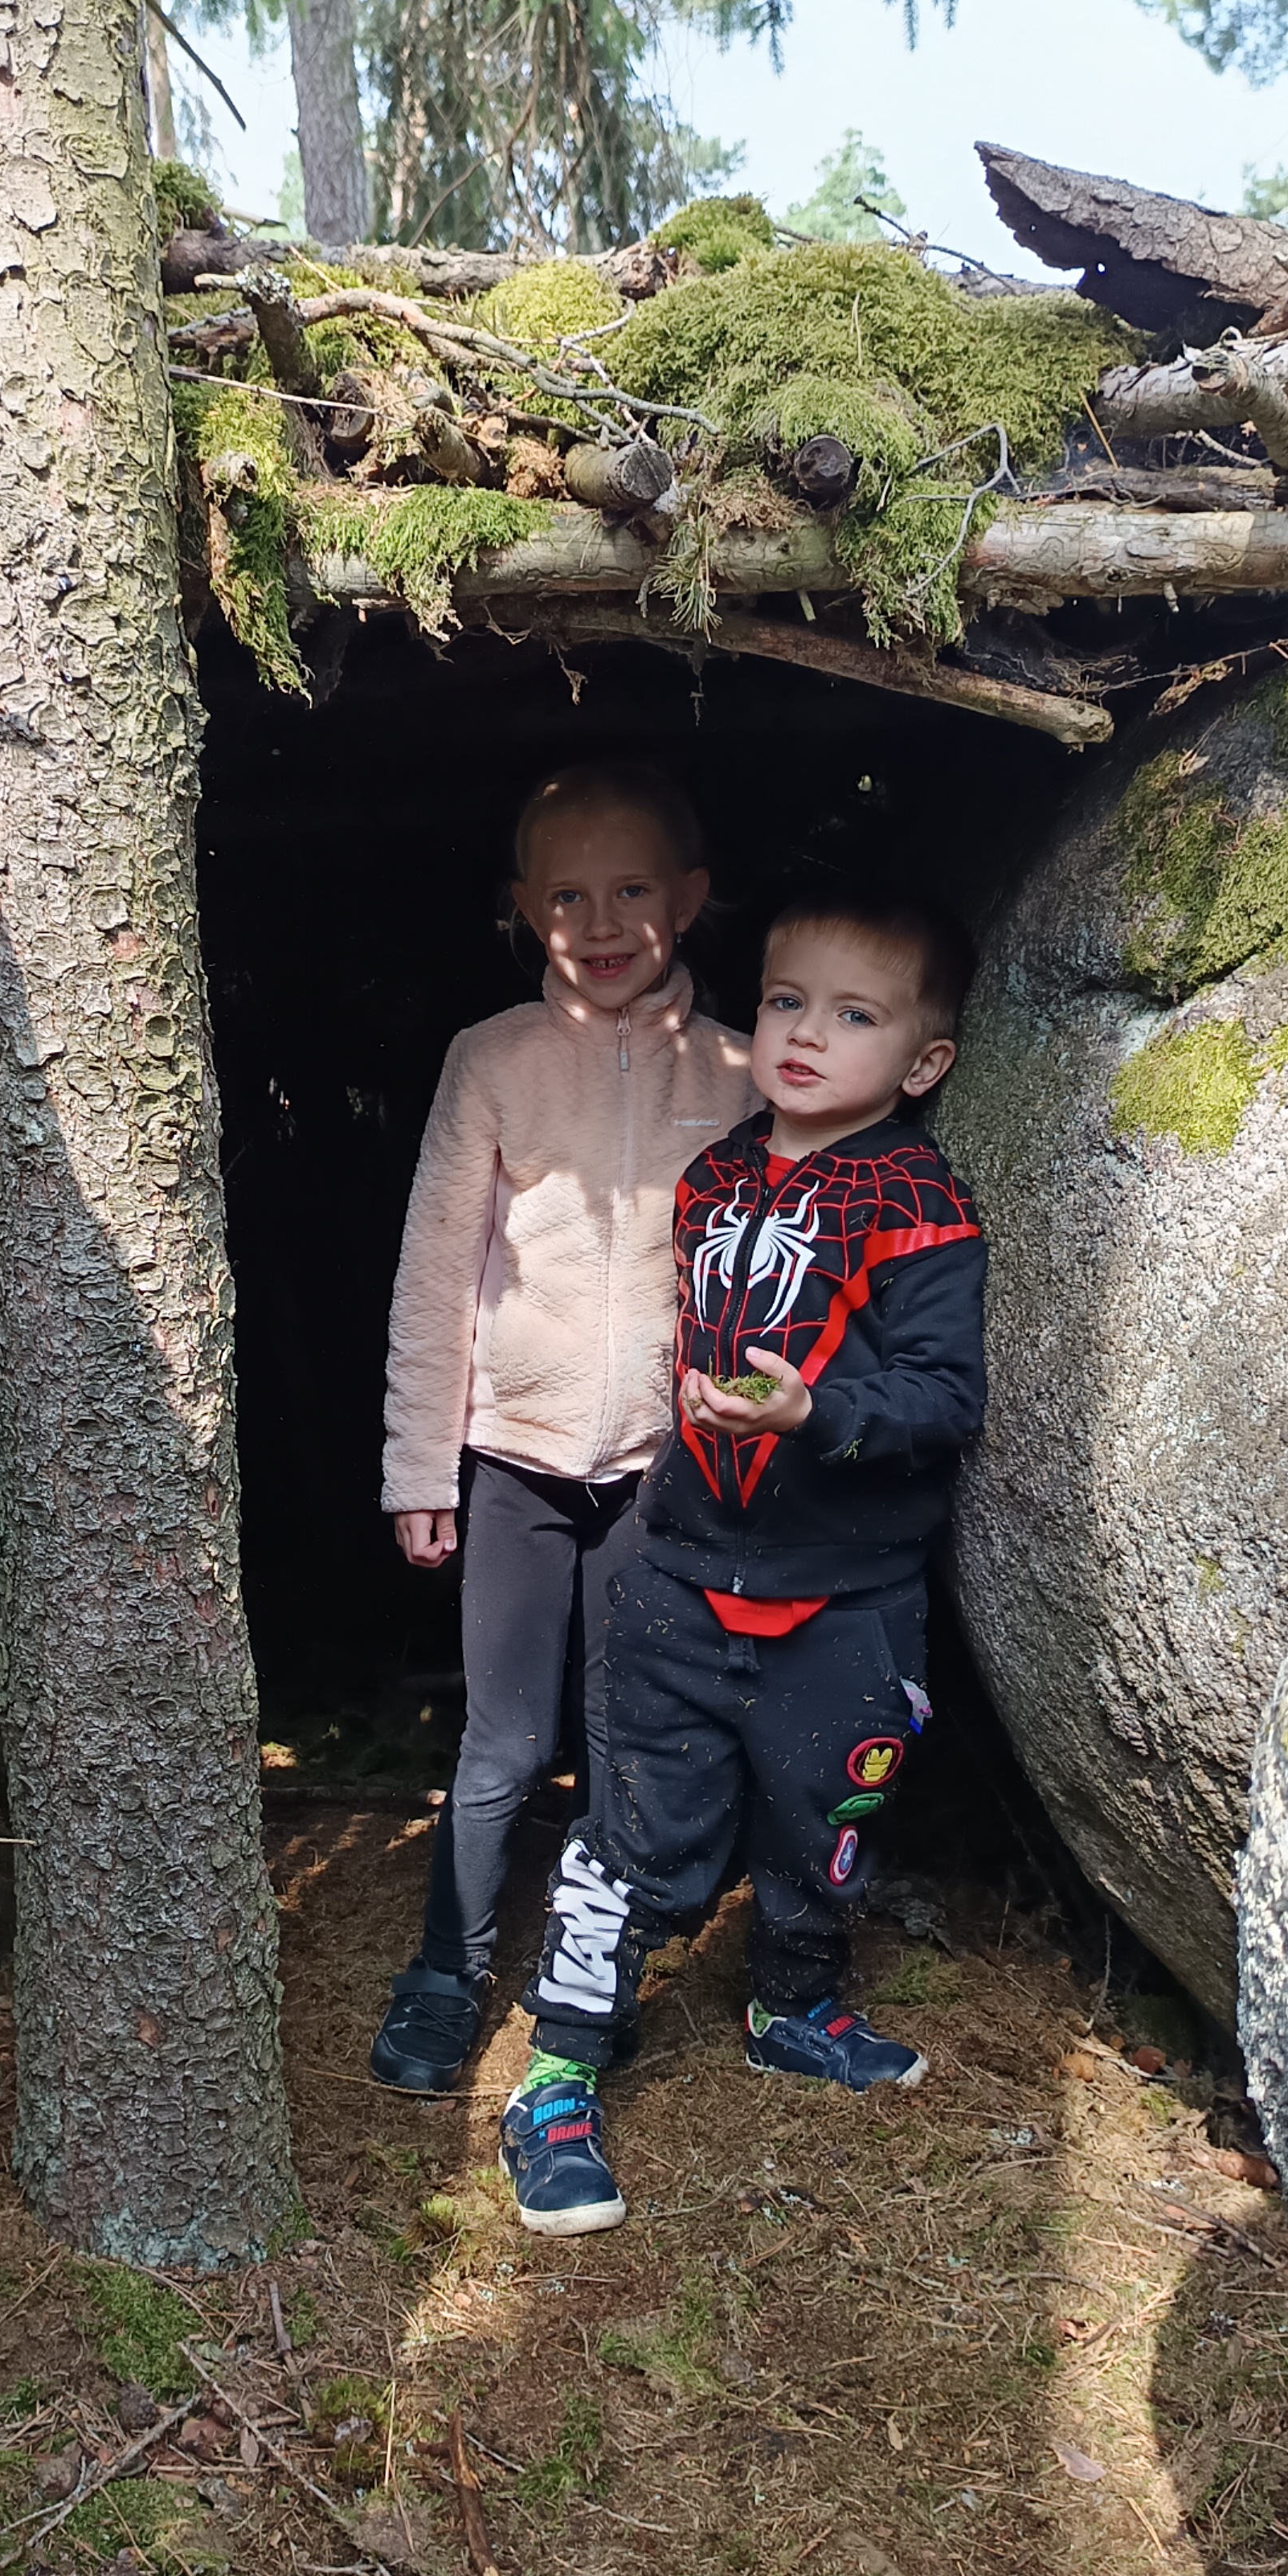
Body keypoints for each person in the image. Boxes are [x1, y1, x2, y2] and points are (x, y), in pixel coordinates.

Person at [500, 889, 987, 2233]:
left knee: (824, 1820)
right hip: (684, 1575)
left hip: (846, 1600)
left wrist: (817, 1413)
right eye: (785, 1002)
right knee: (636, 1833)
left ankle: (794, 2007)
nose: (807, 1035)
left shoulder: (925, 1203)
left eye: (854, 1016)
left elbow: (946, 1397)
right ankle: (556, 2081)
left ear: (925, 1062)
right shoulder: (716, 1174)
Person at [369, 764, 754, 2094]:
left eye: (633, 890)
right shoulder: (494, 1059)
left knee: (623, 1734)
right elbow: (436, 1273)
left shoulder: (740, 1071)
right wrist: (420, 1464)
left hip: (663, 1466)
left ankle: (592, 1977)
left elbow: (771, 1271)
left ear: (690, 899)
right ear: (524, 908)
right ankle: (446, 1973)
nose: (601, 923)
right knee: (506, 1742)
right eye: (568, 896)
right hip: (516, 1462)